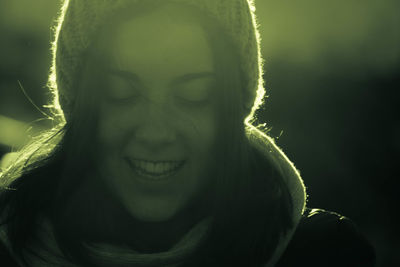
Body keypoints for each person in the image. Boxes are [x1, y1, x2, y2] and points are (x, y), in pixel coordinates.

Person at [0, 0, 375, 266]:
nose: (156, 132)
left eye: (195, 96)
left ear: (233, 107)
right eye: (122, 94)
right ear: (79, 104)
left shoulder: (321, 254)